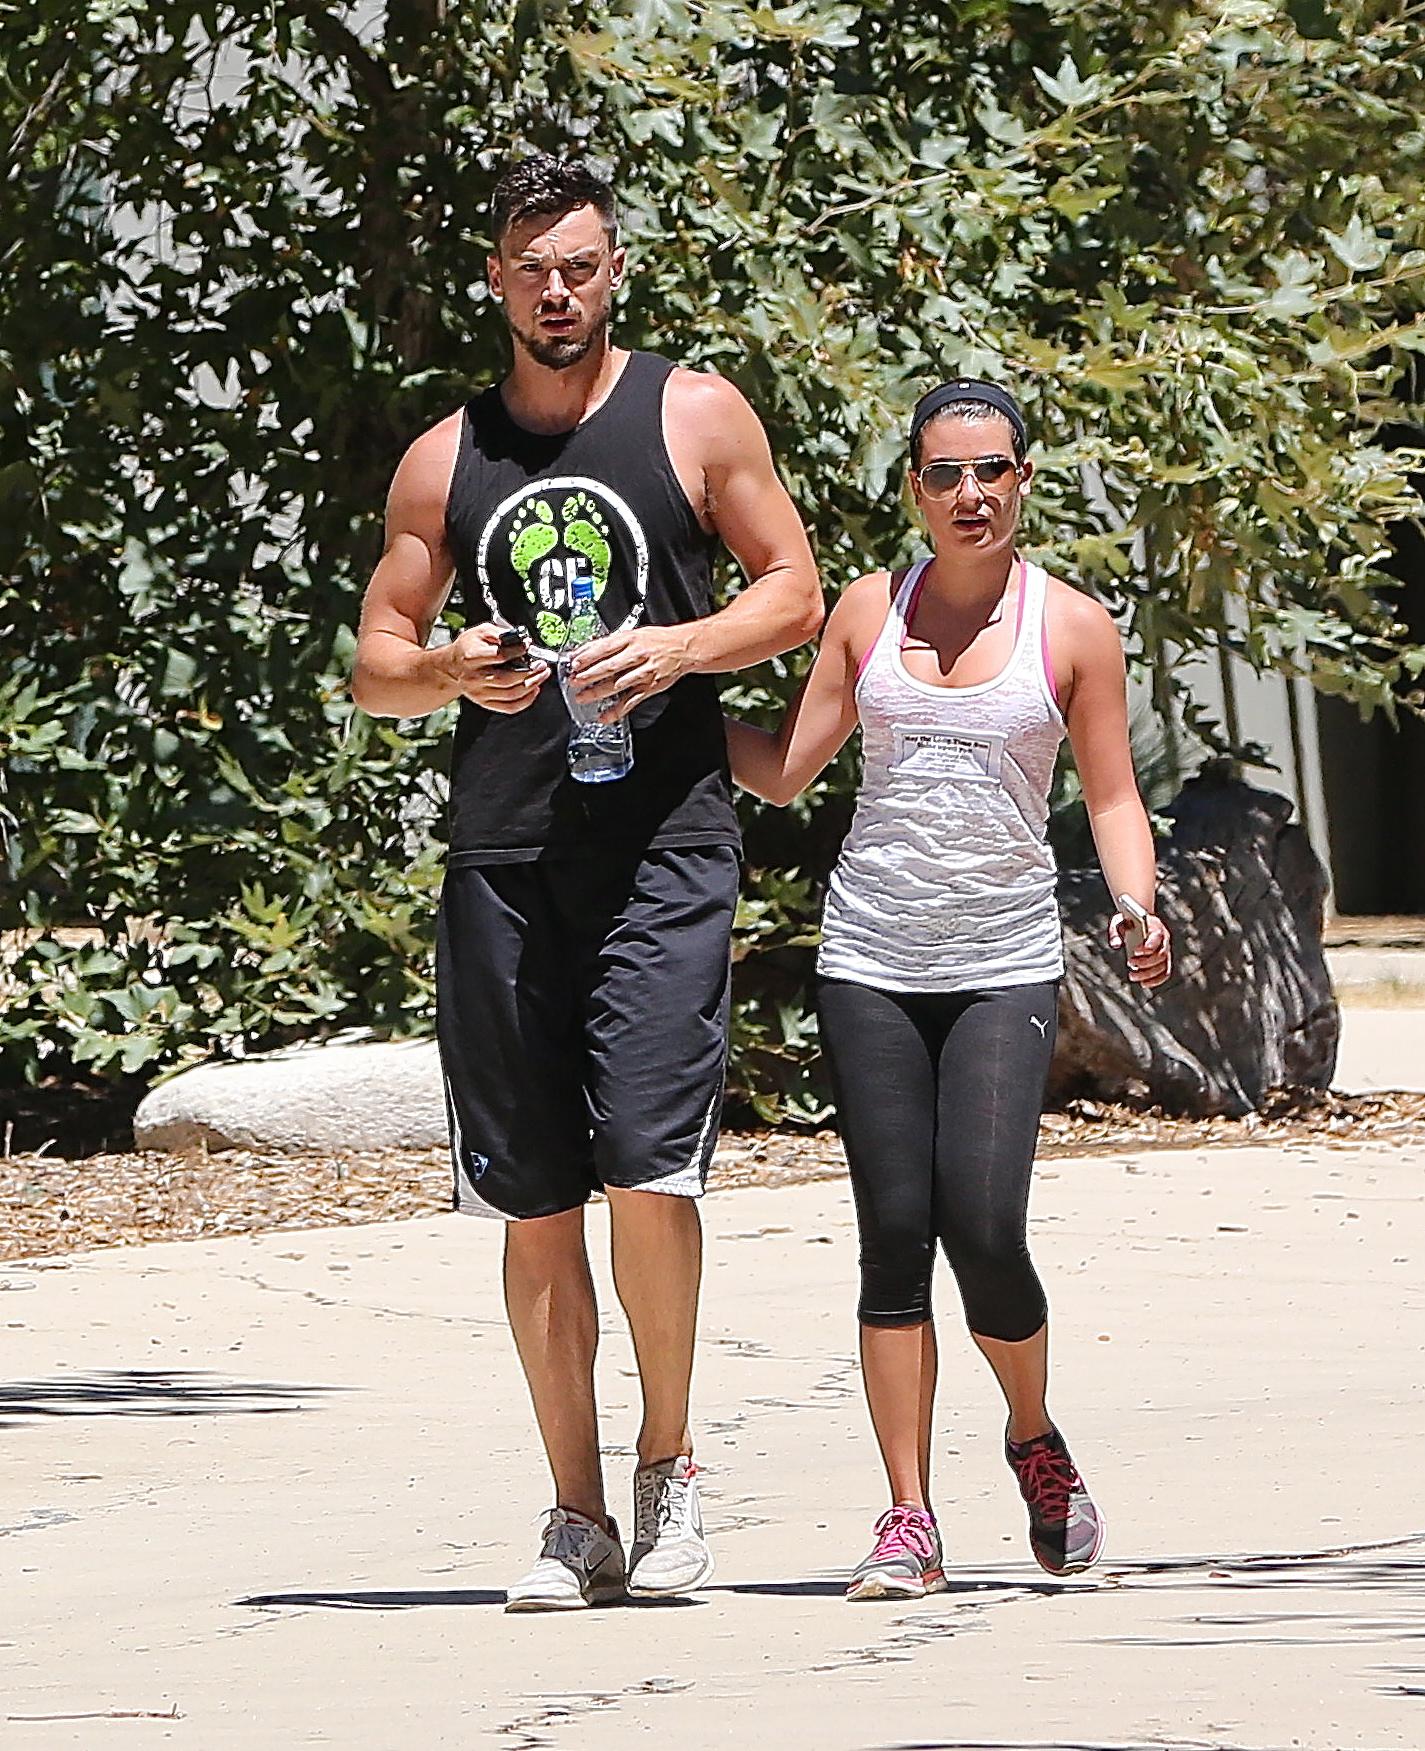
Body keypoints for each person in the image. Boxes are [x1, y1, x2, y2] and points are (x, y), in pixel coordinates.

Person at [351, 154, 821, 1611]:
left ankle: (668, 1474)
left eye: (583, 263)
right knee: (535, 1196)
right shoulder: (446, 455)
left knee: (646, 1165)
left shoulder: (692, 414)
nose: (559, 288)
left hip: (664, 848)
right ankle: (573, 1513)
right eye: (532, 266)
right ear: (497, 280)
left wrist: (676, 648)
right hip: (503, 861)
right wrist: (442, 670)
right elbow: (375, 664)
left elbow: (794, 586)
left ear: (616, 270)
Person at [725, 378, 1171, 1601]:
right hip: (870, 955)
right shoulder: (867, 612)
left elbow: (1113, 793)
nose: (968, 493)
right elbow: (786, 769)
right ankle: (908, 1516)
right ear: (914, 489)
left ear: (1024, 479)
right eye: (943, 473)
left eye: (990, 470)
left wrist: (1136, 899)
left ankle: (1032, 1435)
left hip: (1002, 964)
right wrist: (676, 699)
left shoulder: (1072, 627)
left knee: (984, 1229)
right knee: (889, 1242)